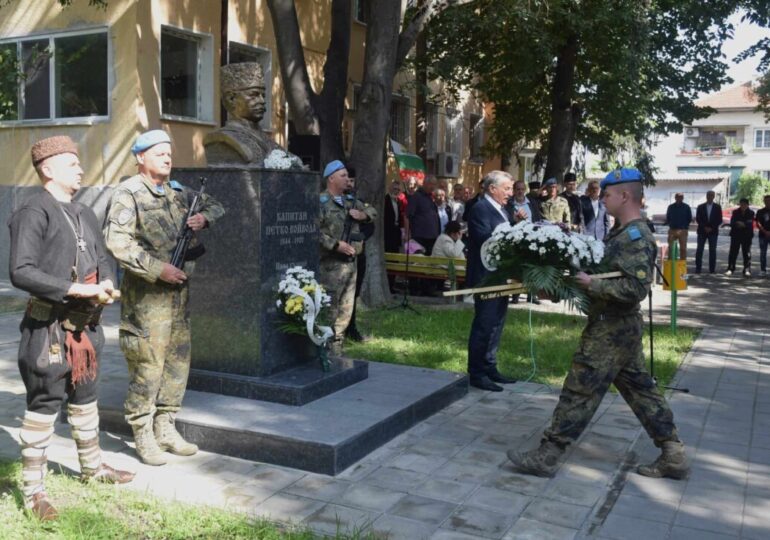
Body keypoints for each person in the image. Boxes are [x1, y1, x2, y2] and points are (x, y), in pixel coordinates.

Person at [507, 168, 689, 481]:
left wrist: (593, 286)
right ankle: (673, 453)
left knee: (580, 389)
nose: (602, 199)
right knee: (641, 391)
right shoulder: (621, 233)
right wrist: (560, 287)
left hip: (611, 329)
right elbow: (603, 274)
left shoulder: (637, 237)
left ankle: (548, 454)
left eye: (606, 194)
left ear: (625, 195)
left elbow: (635, 289)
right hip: (618, 327)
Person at [9, 136, 134, 520]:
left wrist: (108, 283)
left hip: (86, 330)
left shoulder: (84, 212)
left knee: (85, 400)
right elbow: (21, 271)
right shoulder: (33, 210)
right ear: (47, 168)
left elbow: (104, 257)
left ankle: (93, 469)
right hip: (48, 329)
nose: (80, 169)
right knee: (45, 405)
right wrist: (77, 288)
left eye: (79, 162)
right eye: (71, 163)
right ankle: (34, 491)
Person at [104, 130, 225, 466]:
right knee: (148, 363)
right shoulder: (129, 193)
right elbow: (118, 243)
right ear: (140, 157)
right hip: (147, 298)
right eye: (159, 154)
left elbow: (217, 205)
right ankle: (142, 431)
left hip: (179, 295)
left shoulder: (178, 192)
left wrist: (203, 218)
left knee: (177, 361)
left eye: (169, 154)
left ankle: (166, 425)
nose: (167, 159)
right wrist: (158, 269)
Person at [318, 160, 377, 354]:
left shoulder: (351, 201)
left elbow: (372, 212)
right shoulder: (321, 203)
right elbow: (313, 232)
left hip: (352, 265)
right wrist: (336, 245)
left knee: (346, 309)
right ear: (331, 178)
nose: (347, 180)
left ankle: (337, 348)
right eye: (343, 176)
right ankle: (323, 350)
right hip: (331, 266)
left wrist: (361, 215)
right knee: (330, 309)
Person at [466, 171, 518, 392]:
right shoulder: (480, 209)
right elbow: (485, 239)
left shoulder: (502, 209)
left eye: (511, 188)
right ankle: (476, 373)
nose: (510, 193)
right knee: (484, 324)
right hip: (486, 277)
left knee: (497, 324)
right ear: (492, 188)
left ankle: (490, 367)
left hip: (501, 275)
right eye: (506, 188)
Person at [345, 167, 374, 343]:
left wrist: (361, 238)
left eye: (352, 180)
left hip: (357, 254)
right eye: (347, 179)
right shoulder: (332, 201)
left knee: (354, 293)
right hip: (337, 254)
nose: (349, 183)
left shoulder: (359, 203)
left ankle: (351, 327)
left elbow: (371, 224)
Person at [694, 191, 723, 274]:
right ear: (706, 196)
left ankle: (712, 269)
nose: (710, 197)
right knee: (699, 249)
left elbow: (719, 219)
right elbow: (698, 219)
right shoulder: (700, 207)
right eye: (708, 195)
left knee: (712, 250)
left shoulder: (718, 207)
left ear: (714, 197)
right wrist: (704, 227)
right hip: (702, 231)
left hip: (713, 232)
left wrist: (711, 228)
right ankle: (698, 268)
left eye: (711, 195)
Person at [725, 198, 754, 277]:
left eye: (744, 204)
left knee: (747, 253)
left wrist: (742, 224)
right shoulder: (735, 212)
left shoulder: (751, 213)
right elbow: (733, 222)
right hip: (736, 235)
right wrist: (741, 223)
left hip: (747, 236)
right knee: (733, 253)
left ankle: (747, 270)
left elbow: (749, 224)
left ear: (747, 205)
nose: (743, 206)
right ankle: (730, 268)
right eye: (741, 204)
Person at [665, 193, 692, 260]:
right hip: (672, 230)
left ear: (683, 198)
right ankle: (671, 263)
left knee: (683, 249)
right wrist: (671, 224)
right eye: (677, 197)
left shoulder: (686, 207)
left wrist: (684, 226)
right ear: (675, 198)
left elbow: (689, 218)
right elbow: (668, 217)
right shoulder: (670, 207)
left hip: (683, 230)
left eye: (681, 197)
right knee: (671, 248)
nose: (679, 198)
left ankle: (682, 264)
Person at [756, 195, 770, 276]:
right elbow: (758, 223)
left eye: (769, 200)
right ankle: (763, 270)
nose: (768, 202)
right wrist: (765, 231)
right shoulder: (760, 211)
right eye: (766, 201)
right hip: (762, 235)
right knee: (763, 253)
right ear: (764, 202)